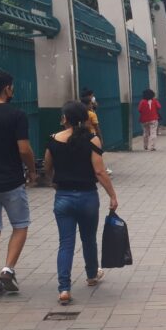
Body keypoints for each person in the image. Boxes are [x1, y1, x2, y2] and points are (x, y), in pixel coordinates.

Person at [44, 101, 117, 305]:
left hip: (63, 197)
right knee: (88, 238)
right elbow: (100, 171)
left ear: (65, 118)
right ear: (85, 119)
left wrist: (53, 182)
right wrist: (112, 195)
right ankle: (92, 275)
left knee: (65, 243)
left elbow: (48, 166)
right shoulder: (93, 140)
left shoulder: (53, 140)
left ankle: (64, 288)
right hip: (87, 197)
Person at [0, 70, 35, 298]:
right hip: (11, 181)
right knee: (20, 225)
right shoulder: (16, 115)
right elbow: (24, 149)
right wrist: (31, 170)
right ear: (7, 89)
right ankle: (8, 269)